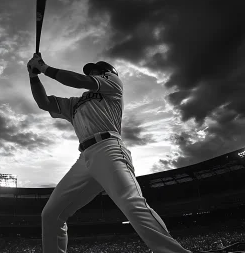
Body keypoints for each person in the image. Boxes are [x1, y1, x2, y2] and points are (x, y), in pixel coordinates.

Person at [27, 53, 192, 253]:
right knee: (51, 214)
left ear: (107, 72)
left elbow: (80, 80)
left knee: (131, 203)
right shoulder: (75, 104)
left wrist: (44, 67)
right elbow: (44, 103)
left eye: (96, 71)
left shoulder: (113, 83)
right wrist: (33, 76)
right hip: (84, 158)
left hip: (109, 147)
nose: (92, 73)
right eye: (91, 72)